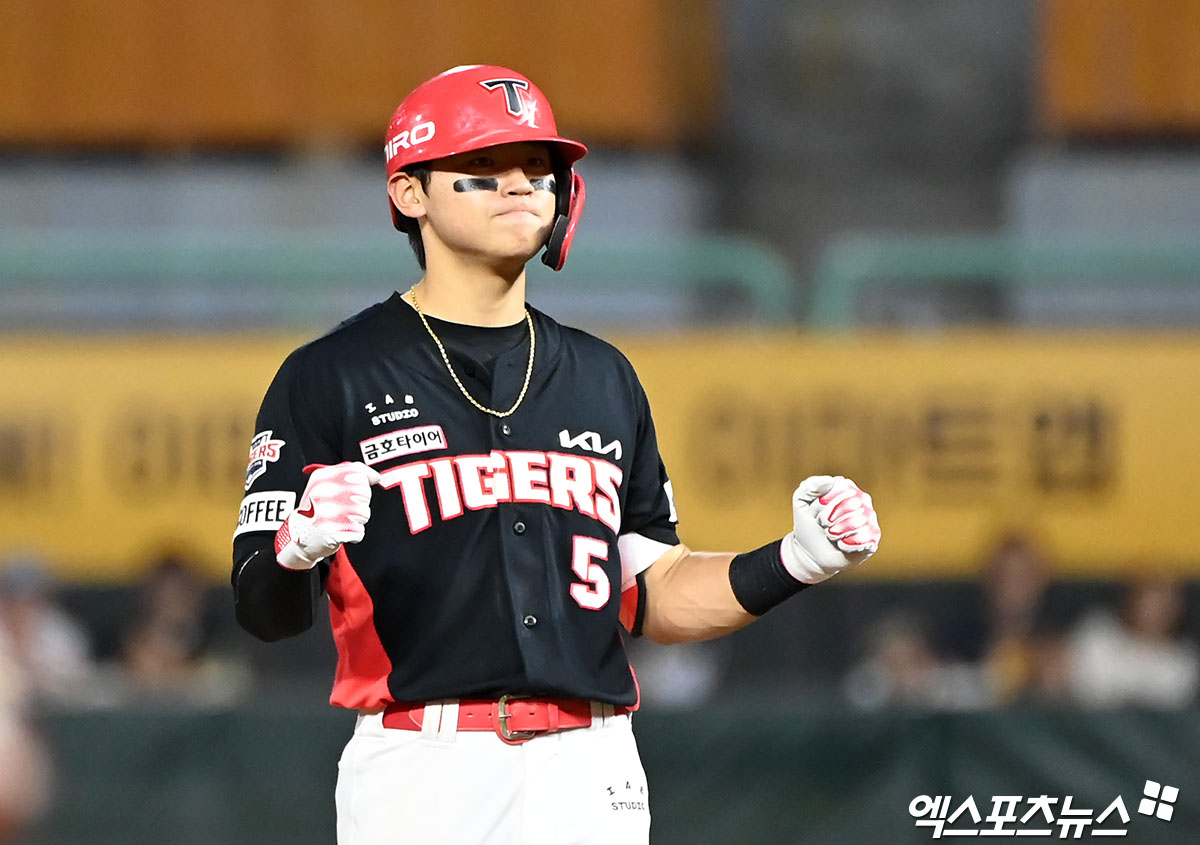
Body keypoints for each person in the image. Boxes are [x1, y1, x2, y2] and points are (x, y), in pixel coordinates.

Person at [231, 64, 881, 845]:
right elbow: (261, 610)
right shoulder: (330, 374)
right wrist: (297, 544)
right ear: (410, 193)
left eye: (536, 167)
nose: (519, 185)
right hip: (425, 766)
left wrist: (798, 558)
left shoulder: (603, 376)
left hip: (592, 761)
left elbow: (657, 591)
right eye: (481, 168)